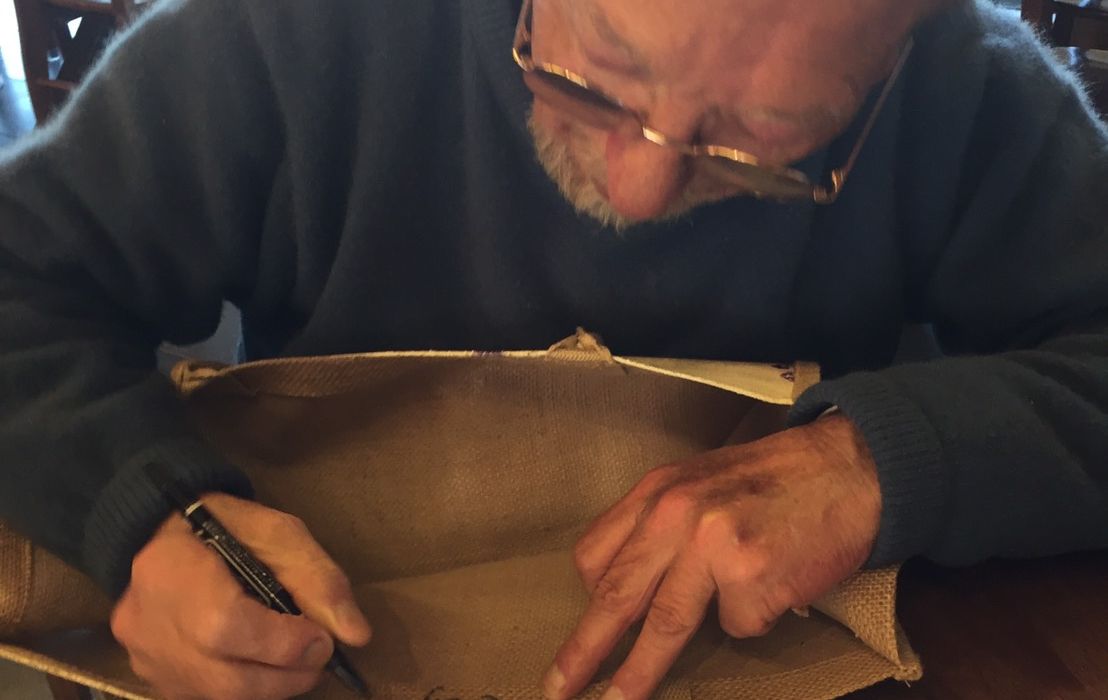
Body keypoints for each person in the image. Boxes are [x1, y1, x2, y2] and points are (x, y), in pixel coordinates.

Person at [0, 0, 1105, 697]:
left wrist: (876, 463)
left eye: (763, 142)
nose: (640, 189)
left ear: (890, 59)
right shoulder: (287, 33)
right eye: (597, 74)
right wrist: (144, 513)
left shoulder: (965, 84)